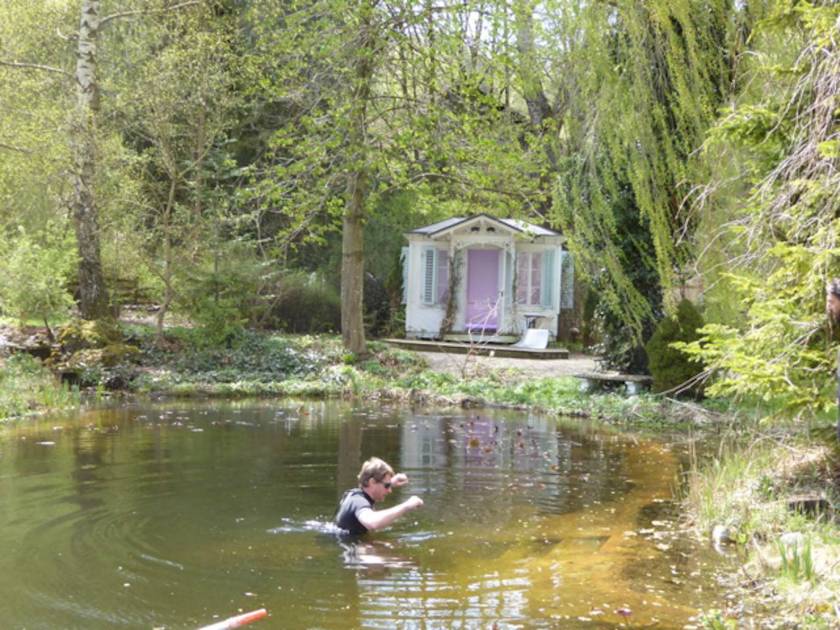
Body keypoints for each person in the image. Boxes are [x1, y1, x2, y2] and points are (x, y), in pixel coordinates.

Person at [335, 457, 423, 535]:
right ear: (372, 482)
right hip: (349, 544)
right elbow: (372, 523)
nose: (390, 491)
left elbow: (377, 485)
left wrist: (390, 483)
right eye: (387, 486)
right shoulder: (359, 502)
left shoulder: (354, 495)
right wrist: (407, 506)